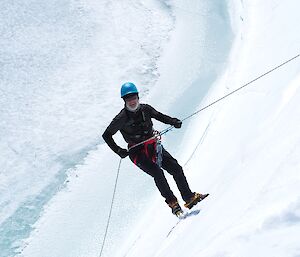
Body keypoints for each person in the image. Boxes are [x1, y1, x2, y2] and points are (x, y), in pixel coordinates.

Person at [102, 82, 208, 216]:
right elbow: (106, 135)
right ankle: (173, 204)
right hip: (136, 153)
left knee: (175, 168)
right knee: (157, 173)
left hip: (153, 146)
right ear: (124, 101)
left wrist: (173, 121)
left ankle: (189, 198)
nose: (132, 101)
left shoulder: (146, 109)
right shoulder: (121, 118)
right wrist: (118, 150)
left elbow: (160, 116)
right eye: (128, 99)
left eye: (133, 97)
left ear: (138, 97)